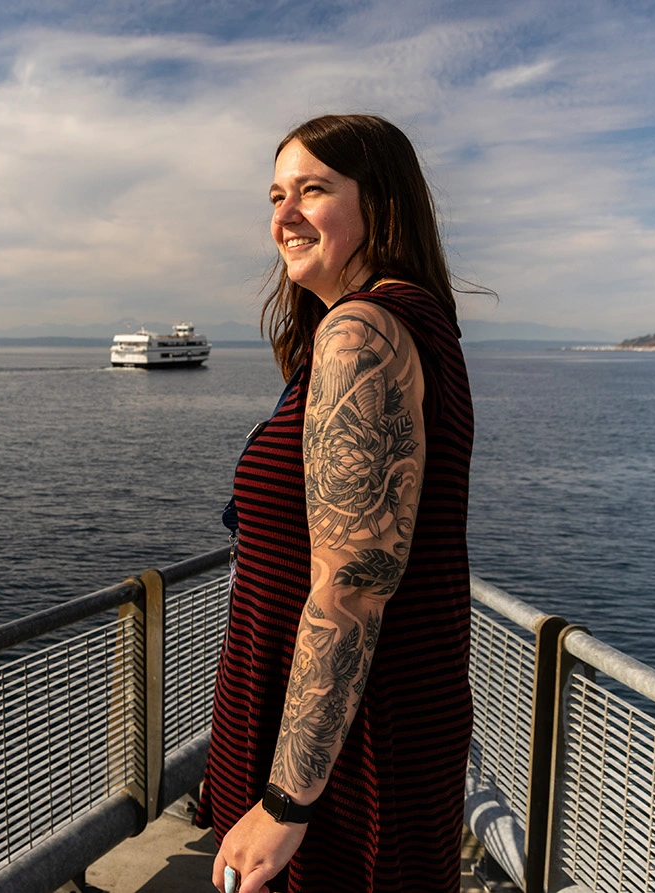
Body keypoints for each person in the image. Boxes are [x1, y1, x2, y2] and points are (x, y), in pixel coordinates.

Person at [196, 114, 476, 893]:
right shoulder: (403, 325)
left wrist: (287, 800)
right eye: (276, 194)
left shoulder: (363, 331)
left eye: (312, 190)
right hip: (356, 741)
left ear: (379, 204)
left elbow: (353, 583)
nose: (283, 215)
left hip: (348, 770)